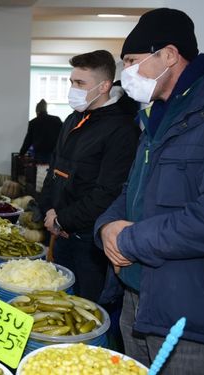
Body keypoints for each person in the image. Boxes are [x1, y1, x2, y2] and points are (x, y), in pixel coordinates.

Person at [95, 8, 204, 374]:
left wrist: (129, 241)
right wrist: (107, 227)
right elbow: (132, 190)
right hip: (136, 301)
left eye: (132, 61)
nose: (126, 74)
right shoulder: (155, 116)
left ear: (169, 55)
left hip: (192, 317)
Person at [38, 50, 140, 303]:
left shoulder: (122, 129)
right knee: (59, 302)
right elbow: (55, 170)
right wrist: (49, 211)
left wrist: (64, 219)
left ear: (104, 86)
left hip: (90, 242)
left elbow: (108, 192)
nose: (73, 88)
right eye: (72, 82)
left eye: (80, 83)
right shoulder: (73, 119)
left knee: (86, 307)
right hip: (60, 233)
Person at [19, 99, 62, 164]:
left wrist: (21, 153)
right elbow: (63, 135)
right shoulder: (56, 119)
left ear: (37, 111)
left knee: (41, 172)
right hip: (55, 152)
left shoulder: (33, 122)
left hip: (40, 153)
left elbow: (28, 140)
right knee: (53, 172)